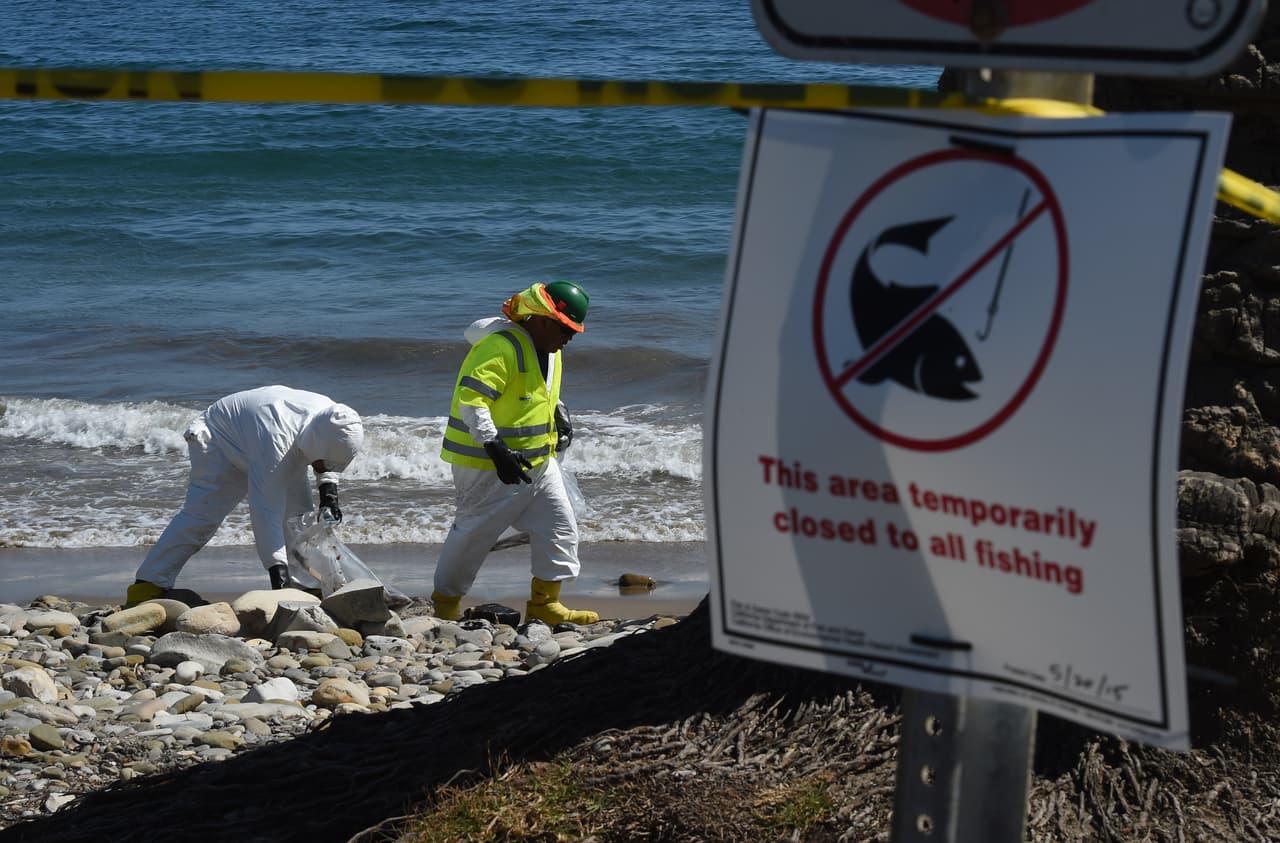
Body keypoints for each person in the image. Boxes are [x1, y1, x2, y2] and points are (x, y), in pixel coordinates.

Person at [432, 280, 598, 625]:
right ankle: (446, 604)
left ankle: (544, 604)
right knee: (473, 534)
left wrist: (557, 413)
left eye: (574, 330)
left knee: (561, 526)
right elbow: (472, 401)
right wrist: (496, 449)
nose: (570, 337)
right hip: (487, 465)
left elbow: (536, 392)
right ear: (539, 319)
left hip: (538, 461)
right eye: (565, 328)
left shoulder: (551, 350)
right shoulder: (499, 347)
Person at [126, 385, 365, 606]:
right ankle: (148, 584)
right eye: (321, 463)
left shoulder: (333, 419)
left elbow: (327, 459)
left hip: (263, 438)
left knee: (299, 517)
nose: (322, 467)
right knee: (201, 517)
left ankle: (305, 588)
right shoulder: (277, 441)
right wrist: (277, 578)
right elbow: (266, 511)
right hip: (219, 440)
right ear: (314, 442)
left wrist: (329, 494)